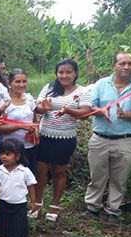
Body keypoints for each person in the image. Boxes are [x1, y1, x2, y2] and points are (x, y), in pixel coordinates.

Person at [83, 52, 131, 223]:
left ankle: (113, 210)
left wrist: (125, 114)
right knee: (97, 175)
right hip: (100, 138)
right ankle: (92, 207)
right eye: (122, 63)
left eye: (130, 63)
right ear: (114, 65)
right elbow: (91, 105)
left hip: (125, 140)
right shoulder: (101, 84)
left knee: (120, 178)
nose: (126, 67)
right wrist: (100, 110)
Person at [34, 58, 92, 221]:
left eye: (68, 72)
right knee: (41, 169)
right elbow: (38, 108)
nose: (64, 75)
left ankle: (54, 205)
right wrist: (42, 108)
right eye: (61, 72)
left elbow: (86, 114)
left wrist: (68, 111)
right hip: (44, 135)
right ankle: (37, 202)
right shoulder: (49, 88)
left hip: (65, 138)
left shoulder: (82, 91)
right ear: (56, 73)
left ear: (75, 73)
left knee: (59, 170)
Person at [0, 69, 38, 174]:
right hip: (10, 151)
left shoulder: (29, 99)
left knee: (28, 178)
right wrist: (19, 126)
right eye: (17, 82)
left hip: (29, 146)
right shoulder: (4, 103)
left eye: (24, 81)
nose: (21, 85)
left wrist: (36, 130)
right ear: (9, 83)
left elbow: (34, 120)